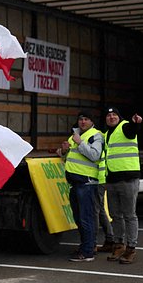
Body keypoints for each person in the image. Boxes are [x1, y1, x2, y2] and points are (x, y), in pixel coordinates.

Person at [56, 109, 104, 262]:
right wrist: (64, 152)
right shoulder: (74, 136)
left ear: (92, 122)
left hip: (87, 183)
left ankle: (88, 251)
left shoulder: (96, 135)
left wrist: (80, 143)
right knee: (79, 219)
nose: (83, 122)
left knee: (86, 218)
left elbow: (95, 155)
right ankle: (86, 247)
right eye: (81, 119)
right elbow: (69, 159)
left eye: (86, 119)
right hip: (75, 183)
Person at [103, 107, 142, 264]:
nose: (111, 117)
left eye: (114, 115)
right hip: (112, 180)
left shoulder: (125, 127)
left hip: (128, 179)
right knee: (115, 215)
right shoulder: (106, 135)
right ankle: (119, 245)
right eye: (108, 115)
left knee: (129, 215)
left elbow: (132, 130)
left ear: (119, 117)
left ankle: (131, 248)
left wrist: (135, 123)